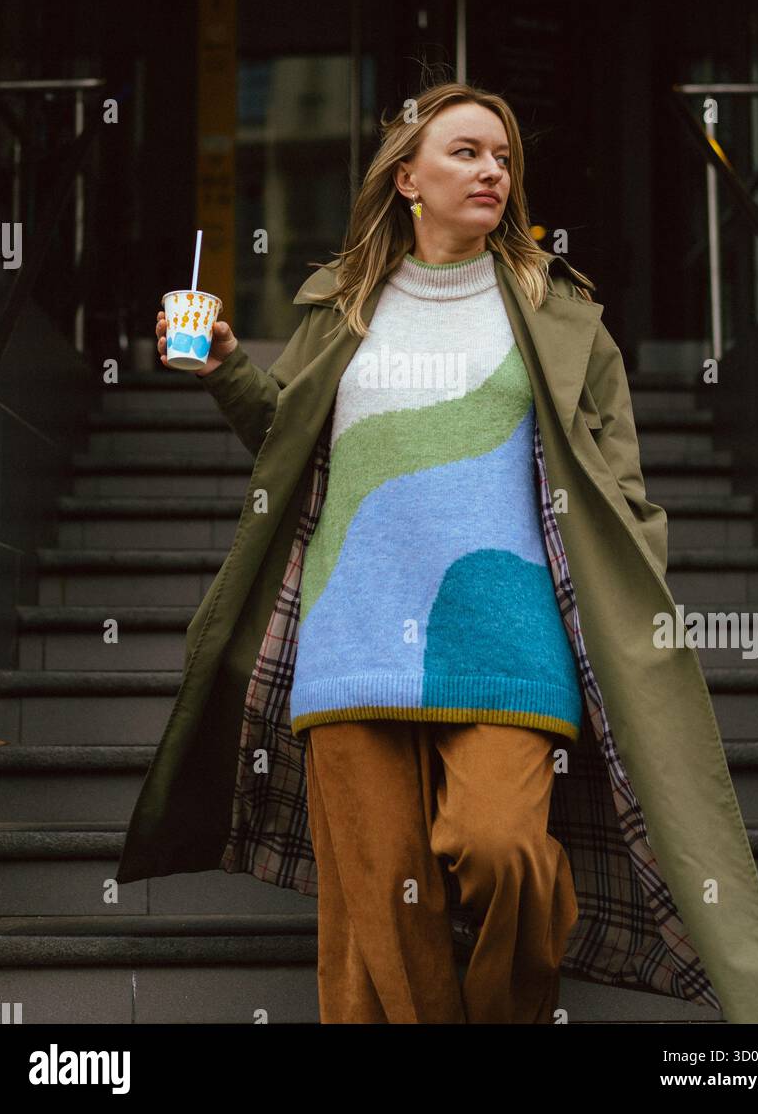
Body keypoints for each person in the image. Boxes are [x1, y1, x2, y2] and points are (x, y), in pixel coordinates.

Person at [156, 87, 588, 1023]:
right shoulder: (340, 305)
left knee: (501, 847)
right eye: (467, 153)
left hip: (508, 637)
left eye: (503, 159)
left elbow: (616, 484)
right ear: (407, 180)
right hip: (351, 636)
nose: (492, 172)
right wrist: (227, 364)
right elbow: (288, 444)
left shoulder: (555, 312)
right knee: (377, 918)